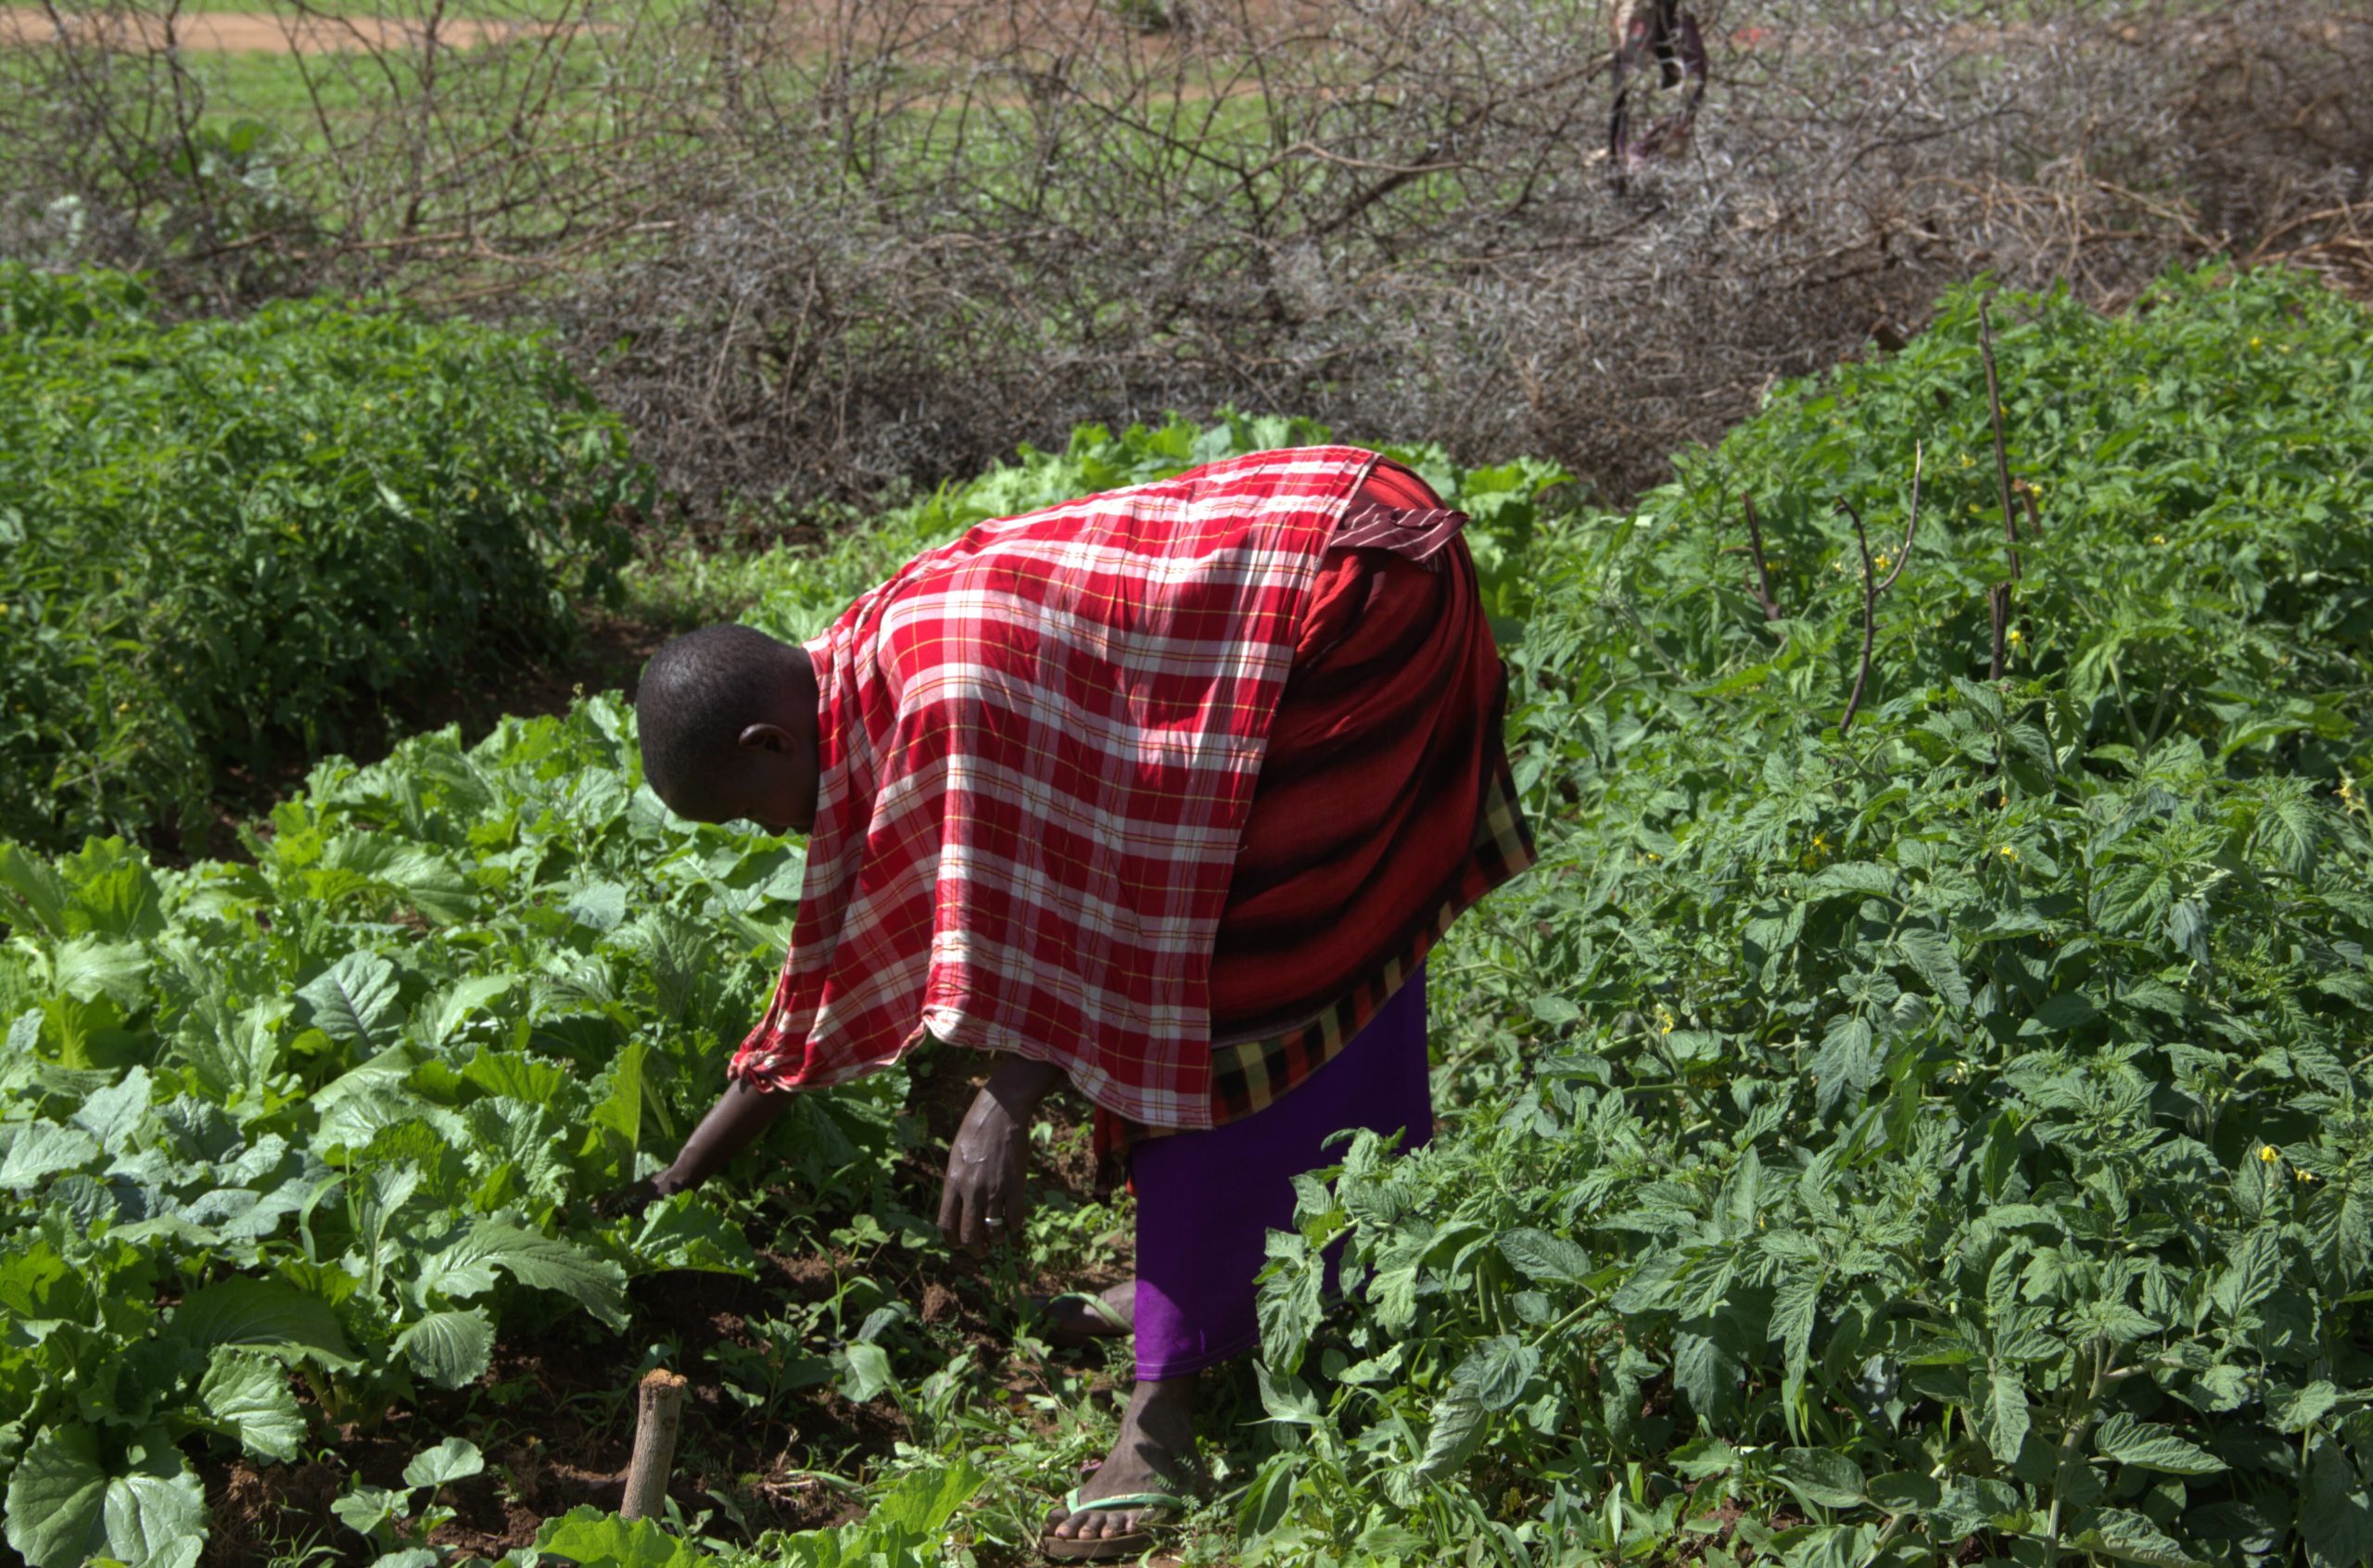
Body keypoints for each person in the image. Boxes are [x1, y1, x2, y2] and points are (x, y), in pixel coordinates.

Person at [613, 446, 1534, 1562]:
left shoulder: (941, 695)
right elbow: (838, 965)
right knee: (1259, 949)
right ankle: (1257, 1267)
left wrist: (1008, 1096)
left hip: (1362, 594)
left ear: (767, 742)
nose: (770, 838)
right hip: (1332, 547)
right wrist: (680, 1176)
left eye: (748, 815)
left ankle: (1166, 1411)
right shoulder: (855, 677)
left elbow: (1126, 907)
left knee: (1214, 990)